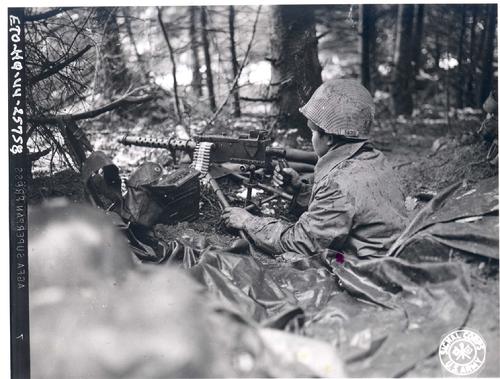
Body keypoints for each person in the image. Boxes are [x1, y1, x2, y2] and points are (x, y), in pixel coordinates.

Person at [222, 79, 408, 258]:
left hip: (368, 267)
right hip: (390, 251)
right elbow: (348, 208)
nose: (312, 138)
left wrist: (248, 221)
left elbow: (301, 243)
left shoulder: (337, 184)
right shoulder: (375, 159)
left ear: (328, 138)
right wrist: (301, 190)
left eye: (312, 132)